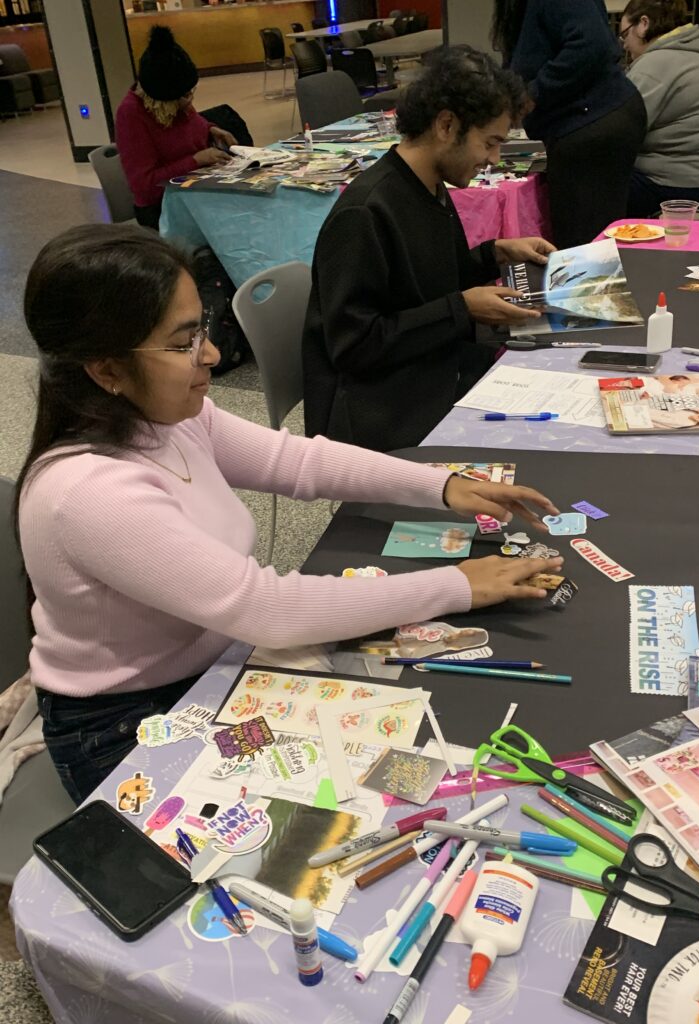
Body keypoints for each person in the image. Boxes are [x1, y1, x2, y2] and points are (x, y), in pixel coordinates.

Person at [16, 224, 563, 804]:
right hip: (130, 722)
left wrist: (443, 486)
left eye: (201, 328)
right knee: (332, 802)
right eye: (182, 344)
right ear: (106, 371)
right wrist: (457, 584)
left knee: (365, 757)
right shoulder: (91, 490)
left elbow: (295, 461)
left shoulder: (165, 415)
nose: (213, 354)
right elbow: (266, 609)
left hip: (214, 665)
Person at [302, 45, 555, 454]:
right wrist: (463, 308)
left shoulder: (429, 186)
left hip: (427, 368)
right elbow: (354, 345)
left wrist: (496, 253)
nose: (493, 159)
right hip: (378, 409)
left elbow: (433, 278)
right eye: (489, 143)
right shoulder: (366, 212)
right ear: (446, 125)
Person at [492, 0, 646, 248]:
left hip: (591, 123)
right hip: (584, 121)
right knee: (589, 242)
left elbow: (592, 44)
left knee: (585, 248)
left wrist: (533, 94)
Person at [620, 0, 699, 218]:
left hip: (683, 184)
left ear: (643, 24)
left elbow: (620, 127)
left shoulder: (656, 63)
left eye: (625, 34)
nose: (624, 45)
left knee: (589, 184)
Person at [115, 26, 235, 230]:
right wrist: (196, 160)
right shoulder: (131, 115)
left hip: (193, 190)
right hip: (161, 207)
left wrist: (211, 129)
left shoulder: (174, 103)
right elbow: (145, 187)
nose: (191, 100)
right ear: (167, 98)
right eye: (186, 96)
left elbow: (191, 127)